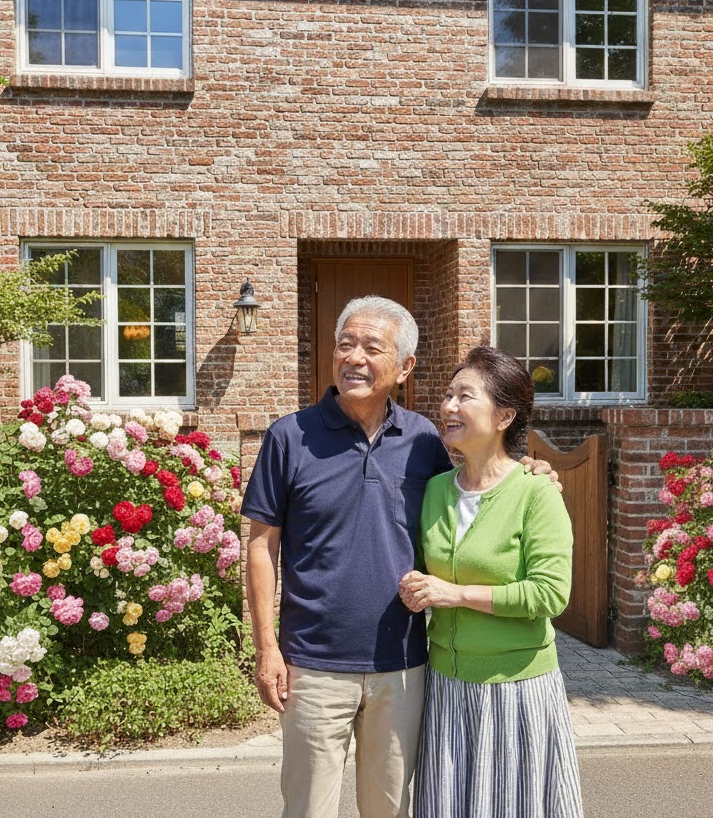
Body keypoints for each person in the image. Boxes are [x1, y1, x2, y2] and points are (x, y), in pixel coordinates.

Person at [242, 297, 558, 818]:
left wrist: (532, 471)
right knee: (307, 809)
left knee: (389, 808)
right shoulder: (289, 437)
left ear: (405, 367)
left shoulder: (424, 442)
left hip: (404, 666)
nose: (355, 358)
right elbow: (260, 545)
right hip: (313, 664)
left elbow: (480, 480)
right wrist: (266, 648)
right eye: (345, 344)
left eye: (372, 347)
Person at [399, 344, 584, 818]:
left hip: (517, 693)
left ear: (504, 416)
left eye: (465, 396)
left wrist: (453, 594)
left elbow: (550, 593)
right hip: (446, 687)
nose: (449, 407)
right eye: (447, 395)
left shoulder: (535, 491)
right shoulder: (437, 489)